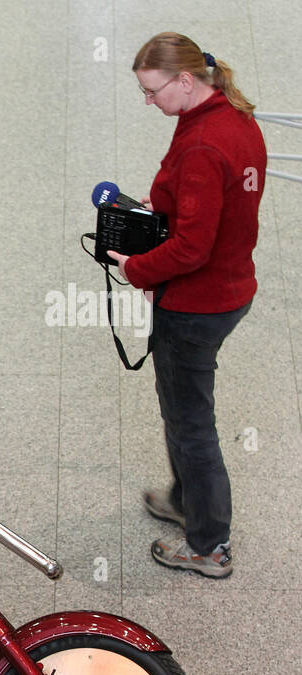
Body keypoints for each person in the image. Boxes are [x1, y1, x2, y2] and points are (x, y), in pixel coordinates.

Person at [109, 32, 266, 579]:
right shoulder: (231, 117)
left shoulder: (203, 144)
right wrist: (170, 204)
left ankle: (209, 544)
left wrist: (136, 269)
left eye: (152, 91)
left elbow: (192, 248)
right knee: (186, 416)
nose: (148, 102)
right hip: (231, 287)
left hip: (195, 307)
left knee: (190, 425)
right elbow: (217, 208)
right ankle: (186, 501)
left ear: (183, 80)